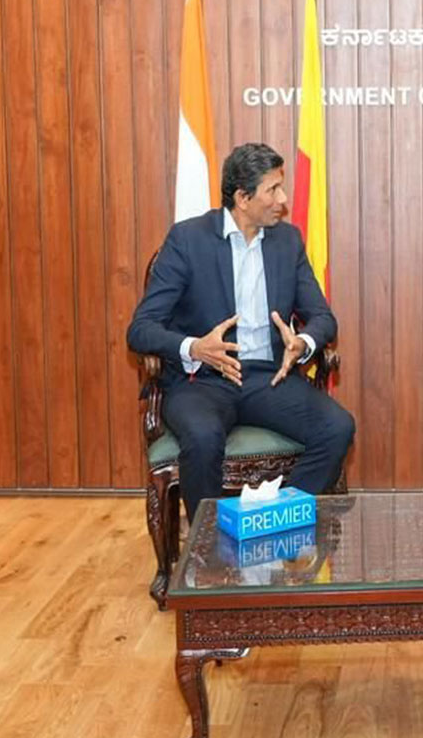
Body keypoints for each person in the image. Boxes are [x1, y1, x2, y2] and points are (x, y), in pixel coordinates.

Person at [127, 142, 355, 515]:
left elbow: (323, 318)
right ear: (242, 198)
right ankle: (210, 552)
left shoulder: (288, 241)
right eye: (273, 189)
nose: (283, 199)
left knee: (338, 427)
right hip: (200, 382)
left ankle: (270, 521)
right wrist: (195, 347)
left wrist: (303, 342)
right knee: (202, 436)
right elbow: (140, 329)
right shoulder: (188, 240)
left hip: (269, 379)